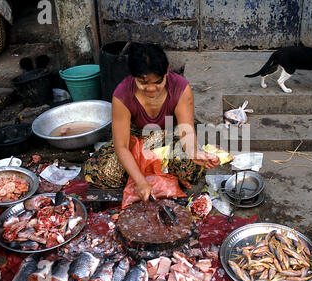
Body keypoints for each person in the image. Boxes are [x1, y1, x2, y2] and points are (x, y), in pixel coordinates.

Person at [87, 42, 220, 201]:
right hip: (137, 140)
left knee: (188, 168)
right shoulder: (122, 95)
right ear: (133, 76)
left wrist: (193, 152)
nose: (151, 89)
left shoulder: (180, 87)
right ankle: (154, 172)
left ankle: (153, 169)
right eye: (143, 83)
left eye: (157, 82)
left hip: (171, 136)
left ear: (167, 70)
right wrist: (140, 182)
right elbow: (121, 147)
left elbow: (187, 130)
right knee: (96, 172)